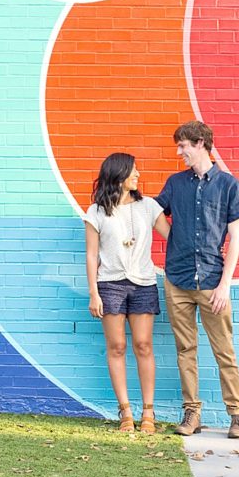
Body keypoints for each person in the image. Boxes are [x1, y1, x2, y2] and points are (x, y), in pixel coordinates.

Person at [157, 121, 239, 439]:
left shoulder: (228, 185)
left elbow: (236, 238)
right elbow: (154, 213)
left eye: (183, 145)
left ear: (200, 144)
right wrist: (174, 240)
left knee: (224, 350)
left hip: (213, 282)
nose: (179, 152)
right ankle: (192, 413)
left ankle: (237, 416)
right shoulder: (175, 183)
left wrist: (225, 284)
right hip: (178, 281)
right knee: (186, 349)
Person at [84, 153, 170, 433]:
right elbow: (91, 254)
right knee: (117, 346)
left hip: (143, 282)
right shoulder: (96, 211)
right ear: (118, 176)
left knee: (143, 345)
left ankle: (148, 412)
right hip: (109, 283)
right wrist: (93, 293)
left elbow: (172, 236)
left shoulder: (148, 206)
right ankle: (125, 412)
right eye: (133, 171)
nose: (138, 176)